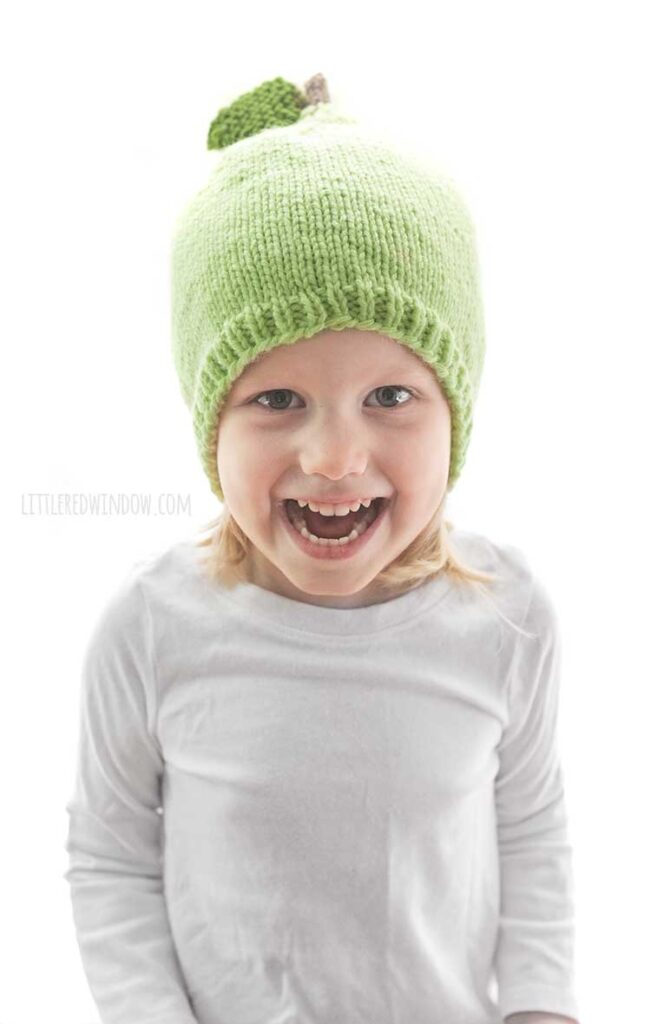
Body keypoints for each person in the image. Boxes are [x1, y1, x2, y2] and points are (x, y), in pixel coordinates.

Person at [63, 73, 581, 1024]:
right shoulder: (152, 624)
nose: (335, 457)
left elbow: (531, 823)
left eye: (390, 397)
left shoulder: (506, 613)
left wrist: (540, 1004)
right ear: (210, 424)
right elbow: (109, 853)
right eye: (276, 400)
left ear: (454, 415)